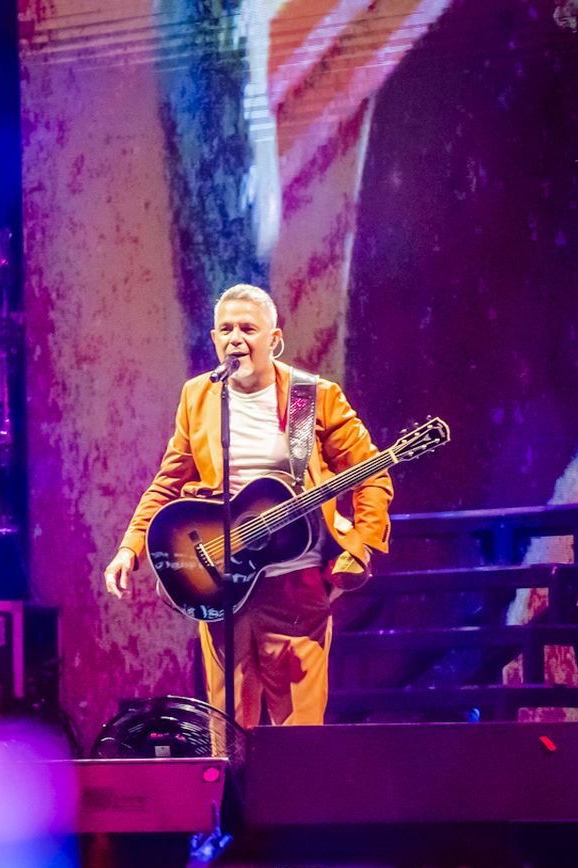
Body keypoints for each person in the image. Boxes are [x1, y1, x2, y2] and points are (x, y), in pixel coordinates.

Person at [102, 284, 392, 729]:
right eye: (226, 330)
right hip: (222, 585)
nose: (236, 338)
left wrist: (361, 546)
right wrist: (130, 547)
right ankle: (236, 801)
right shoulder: (198, 396)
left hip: (294, 588)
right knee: (230, 735)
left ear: (274, 339)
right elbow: (168, 481)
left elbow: (371, 471)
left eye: (248, 328)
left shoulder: (309, 396)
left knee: (298, 739)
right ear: (215, 341)